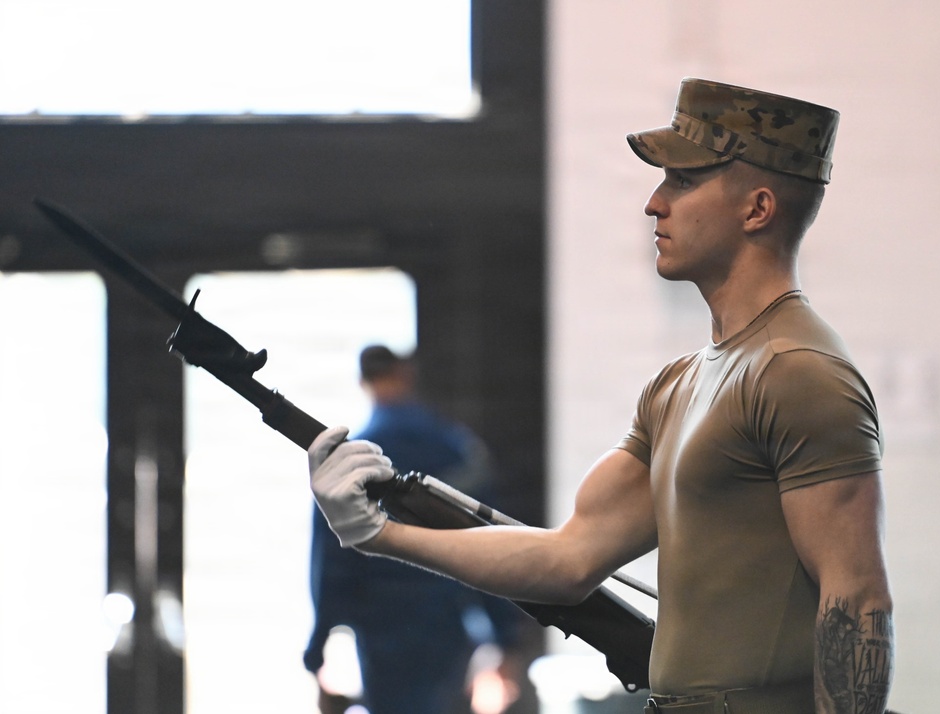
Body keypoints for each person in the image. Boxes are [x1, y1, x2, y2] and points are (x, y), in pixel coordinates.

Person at [306, 79, 895, 714]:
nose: (654, 203)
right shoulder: (679, 386)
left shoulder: (798, 372)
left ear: (757, 209)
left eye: (683, 181)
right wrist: (379, 534)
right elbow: (569, 556)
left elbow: (857, 600)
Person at [303, 345, 530, 714]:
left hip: (379, 629)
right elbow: (490, 542)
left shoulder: (351, 464)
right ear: (406, 374)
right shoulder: (456, 450)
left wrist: (318, 651)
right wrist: (506, 640)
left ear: (363, 381)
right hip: (445, 621)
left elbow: (330, 561)